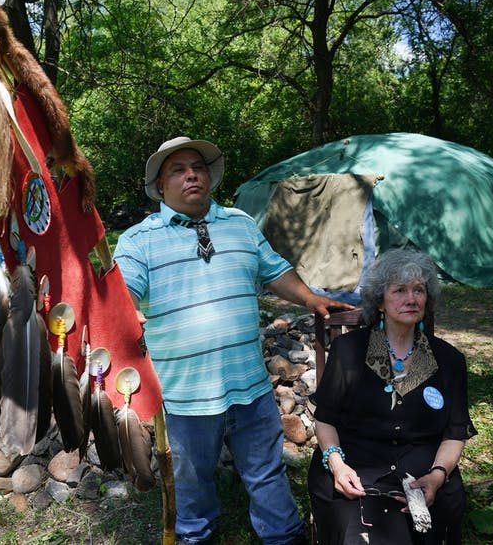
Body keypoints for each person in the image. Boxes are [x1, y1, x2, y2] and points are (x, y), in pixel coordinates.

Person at [114, 136, 355, 545]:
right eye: (178, 169)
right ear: (159, 186)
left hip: (250, 384)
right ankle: (195, 536)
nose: (192, 174)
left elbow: (275, 270)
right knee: (192, 479)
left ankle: (283, 536)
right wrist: (125, 309)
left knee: (266, 470)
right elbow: (124, 292)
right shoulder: (139, 240)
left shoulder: (240, 223)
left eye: (198, 167)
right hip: (185, 393)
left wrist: (311, 297)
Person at [308, 249, 477, 544]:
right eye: (399, 290)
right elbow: (325, 420)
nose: (411, 299)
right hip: (356, 470)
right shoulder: (349, 351)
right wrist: (337, 465)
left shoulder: (449, 361)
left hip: (422, 474)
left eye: (419, 290)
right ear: (380, 301)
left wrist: (437, 477)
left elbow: (454, 432)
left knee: (430, 522)